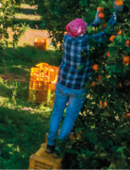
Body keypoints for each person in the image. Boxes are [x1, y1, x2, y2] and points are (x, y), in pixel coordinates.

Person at [46, 10, 117, 157]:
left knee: (57, 113)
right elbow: (106, 33)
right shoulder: (88, 42)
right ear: (83, 31)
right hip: (78, 88)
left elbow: (83, 32)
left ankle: (50, 144)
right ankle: (60, 148)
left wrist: (94, 22)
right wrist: (114, 17)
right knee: (70, 117)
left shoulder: (67, 39)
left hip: (62, 84)